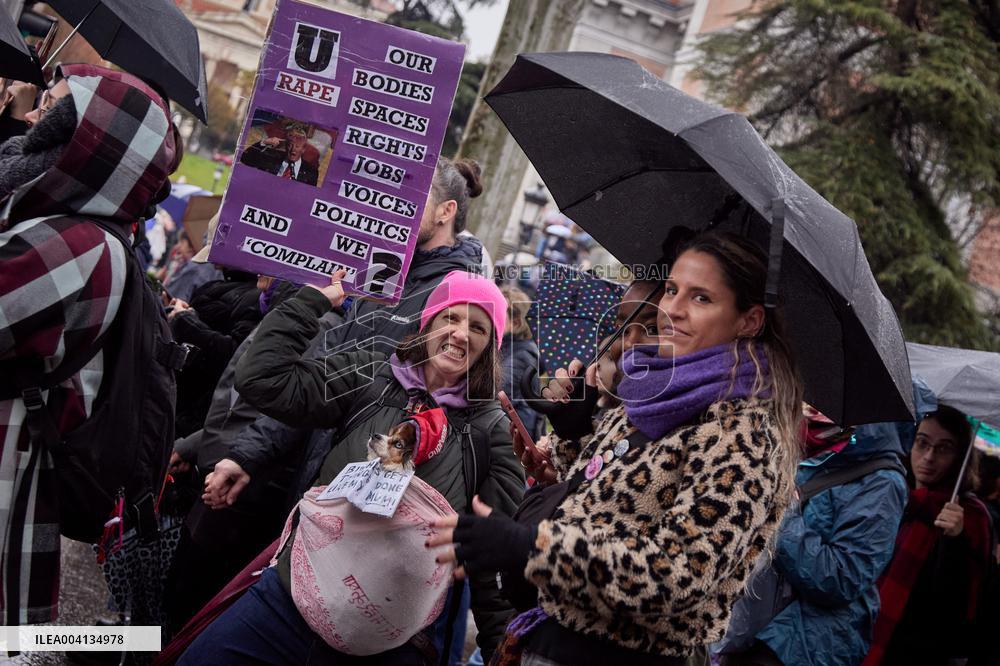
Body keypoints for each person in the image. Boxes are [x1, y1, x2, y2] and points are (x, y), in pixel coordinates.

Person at [429, 231, 805, 664]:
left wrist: (529, 546)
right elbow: (611, 502)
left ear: (749, 321)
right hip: (553, 636)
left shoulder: (746, 436)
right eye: (672, 290)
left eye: (701, 299)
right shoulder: (659, 391)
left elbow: (678, 575)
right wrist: (574, 434)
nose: (673, 310)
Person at [179, 270, 525, 664]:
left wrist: (503, 650)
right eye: (451, 318)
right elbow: (264, 380)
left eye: (478, 328)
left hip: (386, 643)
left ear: (490, 347)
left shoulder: (492, 432)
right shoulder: (371, 372)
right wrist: (310, 302)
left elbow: (494, 559)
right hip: (290, 601)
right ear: (428, 322)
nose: (462, 334)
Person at [0, 64, 180, 625]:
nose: (30, 117)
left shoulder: (79, 243)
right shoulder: (70, 226)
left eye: (48, 110)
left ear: (86, 145)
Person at [714, 408, 909, 666]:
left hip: (806, 645)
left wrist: (779, 515)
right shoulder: (812, 451)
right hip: (756, 626)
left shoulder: (882, 483)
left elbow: (842, 577)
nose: (813, 410)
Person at [863, 405, 993, 666]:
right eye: (923, 443)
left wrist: (954, 540)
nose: (929, 456)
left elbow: (959, 607)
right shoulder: (894, 496)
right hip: (861, 634)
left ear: (960, 457)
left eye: (944, 448)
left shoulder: (970, 515)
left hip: (916, 652)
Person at [499, 287, 545, 439]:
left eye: (499, 313)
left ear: (516, 323)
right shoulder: (512, 347)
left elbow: (494, 394)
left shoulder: (521, 357)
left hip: (517, 437)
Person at [239, 119, 319, 185]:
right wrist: (264, 142)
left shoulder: (311, 172)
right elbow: (245, 158)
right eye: (290, 145)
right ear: (285, 145)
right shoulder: (271, 157)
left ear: (303, 149)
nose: (293, 149)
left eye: (297, 146)